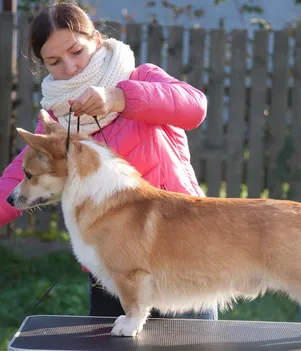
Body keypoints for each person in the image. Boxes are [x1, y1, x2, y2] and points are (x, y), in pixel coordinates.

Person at [0, 1, 218, 320]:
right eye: (54, 61)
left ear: (97, 40)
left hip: (181, 258)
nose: (70, 67)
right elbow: (19, 176)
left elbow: (195, 107)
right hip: (110, 270)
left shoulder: (141, 77)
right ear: (43, 66)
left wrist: (121, 98)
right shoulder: (57, 118)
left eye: (76, 51)